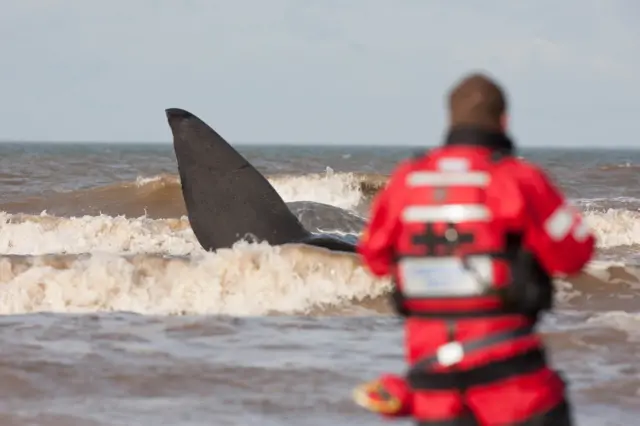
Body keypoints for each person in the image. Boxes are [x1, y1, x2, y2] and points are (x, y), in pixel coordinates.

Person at [353, 72, 595, 425]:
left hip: (435, 391)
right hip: (516, 391)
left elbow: (373, 258)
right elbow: (576, 253)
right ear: (504, 121)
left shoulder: (406, 180)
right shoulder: (520, 179)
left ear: (449, 119)